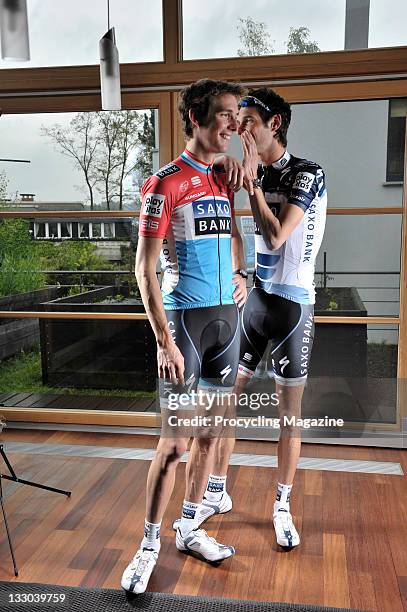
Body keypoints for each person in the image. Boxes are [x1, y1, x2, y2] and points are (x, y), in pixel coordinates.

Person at [176, 87, 327, 550]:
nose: (238, 129)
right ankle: (216, 493)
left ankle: (282, 505)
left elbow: (278, 235)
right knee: (222, 405)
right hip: (255, 304)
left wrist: (255, 184)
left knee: (288, 416)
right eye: (234, 121)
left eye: (247, 122)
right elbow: (226, 220)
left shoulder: (307, 174)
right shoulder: (242, 169)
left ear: (273, 124)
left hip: (292, 308)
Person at [121, 79, 247, 594]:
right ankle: (148, 544)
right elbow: (142, 269)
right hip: (185, 324)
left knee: (210, 437)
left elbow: (236, 237)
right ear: (195, 116)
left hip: (227, 322)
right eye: (223, 114)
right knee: (174, 445)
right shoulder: (164, 183)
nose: (233, 124)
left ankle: (188, 525)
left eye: (237, 115)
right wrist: (163, 341)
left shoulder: (225, 177)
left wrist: (242, 276)